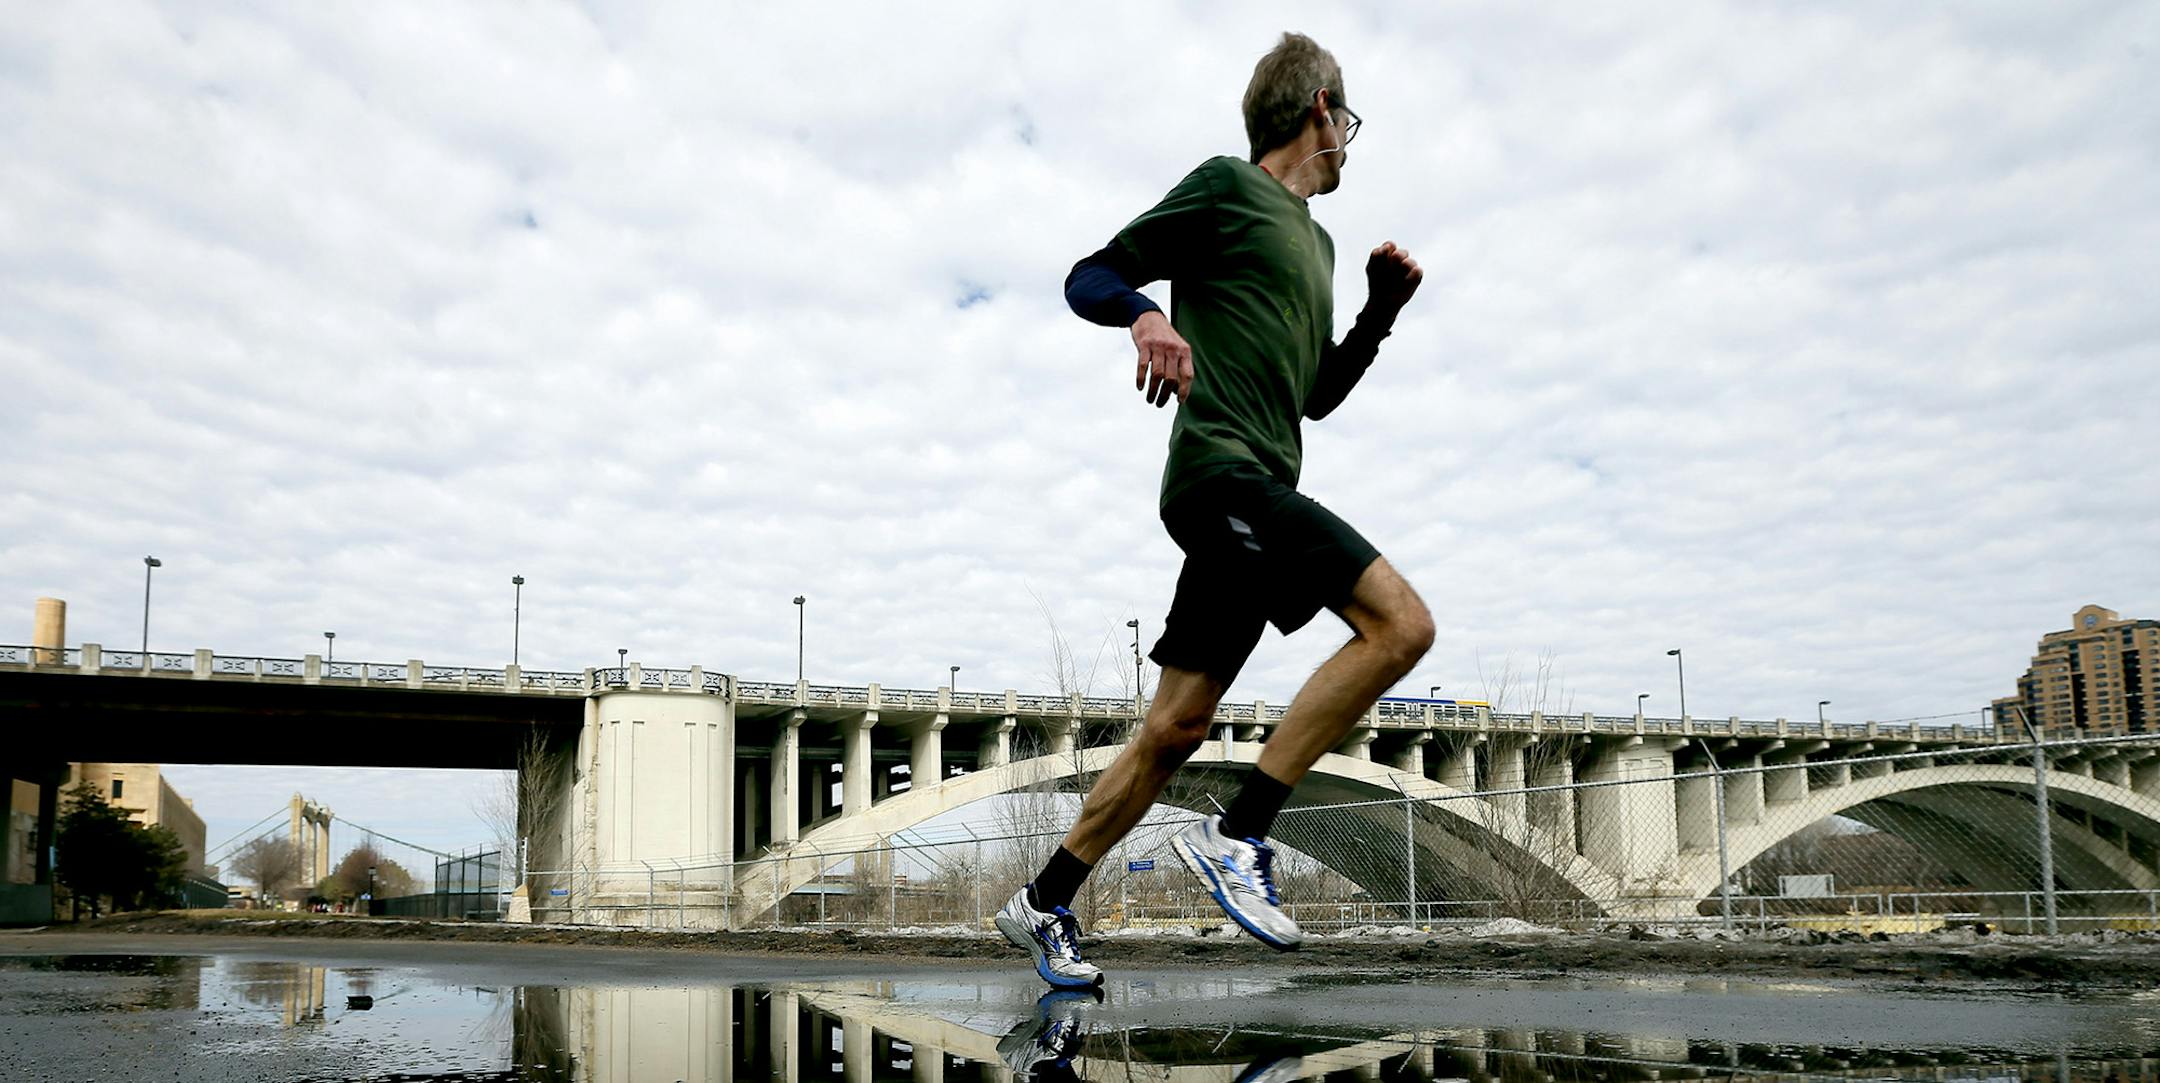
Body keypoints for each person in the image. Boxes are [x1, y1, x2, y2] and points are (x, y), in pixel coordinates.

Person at [996, 32, 1432, 989]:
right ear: (1321, 108)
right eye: (1347, 124)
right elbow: (1092, 273)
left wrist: (1376, 313)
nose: (1349, 144)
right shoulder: (1227, 189)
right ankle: (1241, 832)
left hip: (1255, 489)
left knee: (1176, 729)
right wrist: (1147, 316)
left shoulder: (1315, 243)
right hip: (1224, 475)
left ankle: (1045, 896)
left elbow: (1313, 395)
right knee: (1400, 624)